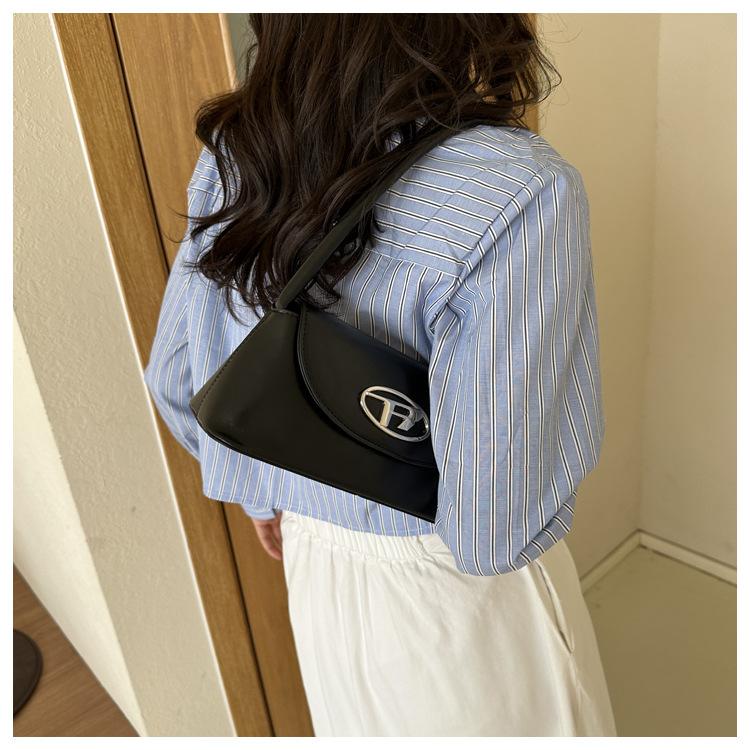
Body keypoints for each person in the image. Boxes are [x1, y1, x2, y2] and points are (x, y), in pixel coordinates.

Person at [144, 13, 617, 737]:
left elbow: (176, 379)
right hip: (459, 600)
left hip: (313, 569)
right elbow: (494, 527)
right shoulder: (517, 189)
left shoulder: (238, 151)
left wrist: (271, 497)